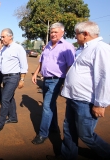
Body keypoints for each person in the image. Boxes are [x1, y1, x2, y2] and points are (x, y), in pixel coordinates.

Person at [57, 21, 110, 160]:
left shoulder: (100, 48)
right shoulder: (83, 49)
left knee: (86, 135)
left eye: (76, 34)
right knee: (69, 131)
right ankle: (67, 156)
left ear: (85, 34)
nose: (75, 37)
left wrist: (100, 104)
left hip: (86, 102)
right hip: (74, 98)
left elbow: (105, 77)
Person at [31, 22, 75, 144]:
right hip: (45, 79)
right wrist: (35, 74)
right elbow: (41, 62)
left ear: (62, 33)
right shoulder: (48, 46)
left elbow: (70, 66)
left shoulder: (67, 47)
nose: (53, 34)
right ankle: (54, 127)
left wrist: (65, 82)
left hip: (57, 80)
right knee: (50, 105)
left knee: (46, 106)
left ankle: (42, 134)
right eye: (51, 32)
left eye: (56, 32)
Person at [0, 28, 28, 134]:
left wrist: (22, 80)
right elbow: (1, 65)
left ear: (10, 36)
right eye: (1, 37)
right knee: (10, 98)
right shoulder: (4, 49)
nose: (2, 39)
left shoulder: (18, 48)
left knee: (5, 99)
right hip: (4, 77)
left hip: (14, 77)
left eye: (3, 36)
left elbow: (24, 65)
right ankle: (13, 117)